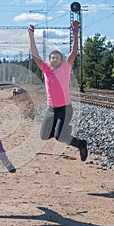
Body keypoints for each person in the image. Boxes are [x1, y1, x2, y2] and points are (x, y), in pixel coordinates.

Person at [28, 21, 88, 161]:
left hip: (65, 109)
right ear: (49, 60)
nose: (54, 59)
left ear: (61, 60)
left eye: (57, 57)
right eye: (52, 57)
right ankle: (64, 130)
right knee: (44, 136)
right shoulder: (46, 69)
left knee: (59, 136)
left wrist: (75, 33)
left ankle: (81, 144)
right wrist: (31, 37)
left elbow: (74, 52)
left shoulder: (65, 68)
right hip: (51, 109)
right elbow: (35, 55)